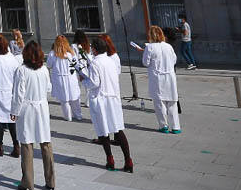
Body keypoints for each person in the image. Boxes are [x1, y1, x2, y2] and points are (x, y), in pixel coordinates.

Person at [81, 34, 133, 173]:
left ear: (95, 50)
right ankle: (128, 160)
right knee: (118, 129)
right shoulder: (111, 60)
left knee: (103, 131)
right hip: (113, 98)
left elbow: (94, 83)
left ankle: (110, 159)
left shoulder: (95, 63)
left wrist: (83, 79)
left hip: (101, 99)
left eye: (92, 48)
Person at [10, 40, 56, 190]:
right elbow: (48, 87)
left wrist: (14, 112)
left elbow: (18, 94)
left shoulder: (22, 70)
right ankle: (51, 181)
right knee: (45, 143)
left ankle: (27, 182)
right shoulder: (43, 69)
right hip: (41, 107)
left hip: (27, 108)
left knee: (27, 143)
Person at [132, 26, 180, 133]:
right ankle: (176, 126)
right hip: (170, 77)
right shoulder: (168, 46)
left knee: (159, 103)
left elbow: (146, 63)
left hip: (157, 77)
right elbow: (174, 60)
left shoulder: (150, 47)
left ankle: (164, 125)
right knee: (172, 102)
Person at [49, 35, 83, 121]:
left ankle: (68, 116)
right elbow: (76, 64)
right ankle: (78, 115)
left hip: (59, 78)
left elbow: (49, 65)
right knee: (75, 97)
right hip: (71, 77)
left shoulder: (53, 54)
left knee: (64, 99)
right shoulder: (71, 53)